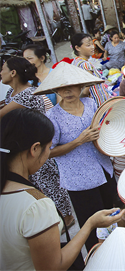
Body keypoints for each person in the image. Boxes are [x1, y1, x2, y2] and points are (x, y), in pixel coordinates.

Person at [0, 109, 124, 271]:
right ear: (35, 149)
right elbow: (53, 266)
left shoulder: (8, 189)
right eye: (49, 147)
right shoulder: (36, 206)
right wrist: (90, 225)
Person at [37, 63, 120, 251]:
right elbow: (47, 152)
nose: (67, 91)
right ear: (55, 90)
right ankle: (96, 258)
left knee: (112, 217)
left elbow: (105, 129)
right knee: (92, 228)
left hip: (103, 171)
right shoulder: (52, 116)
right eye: (61, 87)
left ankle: (116, 252)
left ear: (80, 86)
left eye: (72, 86)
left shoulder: (91, 104)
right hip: (79, 181)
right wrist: (78, 141)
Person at [1, 57, 74, 225]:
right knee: (38, 183)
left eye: (3, 69)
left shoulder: (27, 94)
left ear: (13, 73)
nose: (0, 72)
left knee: (49, 182)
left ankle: (67, 217)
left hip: (38, 145)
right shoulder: (10, 94)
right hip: (24, 146)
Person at [71, 33, 110, 107]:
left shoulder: (75, 62)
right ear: (77, 48)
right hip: (99, 105)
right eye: (88, 45)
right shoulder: (86, 65)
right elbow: (85, 91)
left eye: (92, 44)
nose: (93, 47)